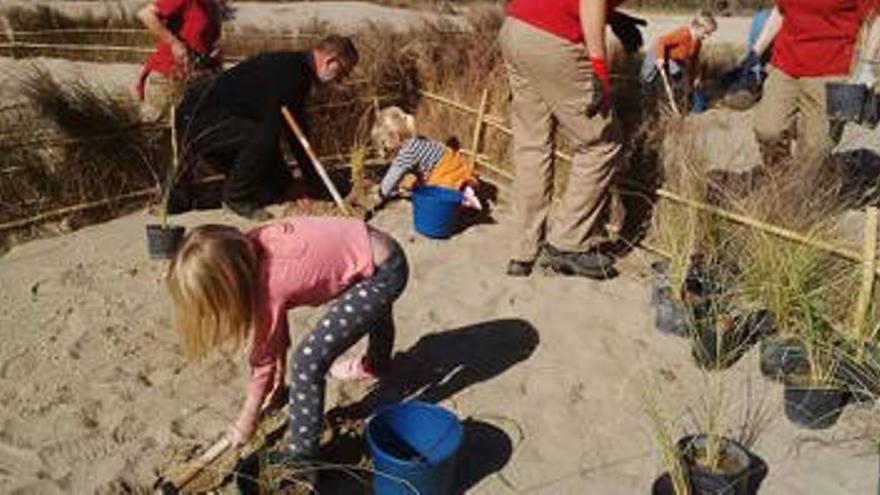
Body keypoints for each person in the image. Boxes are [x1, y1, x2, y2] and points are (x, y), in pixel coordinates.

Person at [166, 218, 408, 473]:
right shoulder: (252, 243)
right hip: (377, 251)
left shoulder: (270, 283)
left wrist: (247, 418)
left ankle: (302, 457)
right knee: (373, 312)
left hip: (383, 274)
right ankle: (377, 365)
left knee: (306, 361)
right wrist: (277, 381)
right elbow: (275, 332)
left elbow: (264, 358)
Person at [499, 0, 624, 279]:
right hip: (552, 38)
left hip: (517, 26)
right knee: (602, 142)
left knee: (531, 145)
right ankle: (566, 243)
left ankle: (523, 251)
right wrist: (599, 67)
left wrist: (612, 16)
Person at [175, 36, 359, 221]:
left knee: (267, 177)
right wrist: (289, 184)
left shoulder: (296, 70)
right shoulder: (291, 73)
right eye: (343, 72)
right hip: (200, 120)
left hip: (218, 122)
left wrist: (310, 178)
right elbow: (271, 131)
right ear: (330, 61)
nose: (342, 79)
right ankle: (235, 197)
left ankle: (257, 191)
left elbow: (297, 130)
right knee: (262, 137)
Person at [738, 2, 880, 173]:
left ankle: (799, 189)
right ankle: (780, 179)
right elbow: (780, 12)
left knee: (816, 148)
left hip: (831, 71)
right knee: (768, 130)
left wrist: (867, 65)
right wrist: (755, 52)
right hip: (785, 66)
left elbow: (877, 17)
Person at [135, 0, 228, 123]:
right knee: (157, 131)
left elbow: (207, 41)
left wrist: (215, 52)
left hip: (196, 78)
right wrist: (174, 42)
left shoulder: (213, 7)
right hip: (167, 77)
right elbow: (145, 14)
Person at [371, 106, 481, 208]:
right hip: (451, 160)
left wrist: (381, 194)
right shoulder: (417, 140)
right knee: (414, 182)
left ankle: (464, 195)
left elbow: (393, 175)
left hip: (444, 170)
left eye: (385, 144)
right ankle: (466, 188)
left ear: (395, 137)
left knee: (440, 190)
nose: (387, 149)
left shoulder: (407, 152)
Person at [641, 11, 717, 98]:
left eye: (710, 33)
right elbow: (661, 41)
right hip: (657, 53)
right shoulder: (683, 33)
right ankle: (646, 98)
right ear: (697, 27)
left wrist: (696, 76)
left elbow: (694, 60)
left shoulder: (697, 43)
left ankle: (677, 97)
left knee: (678, 74)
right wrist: (660, 57)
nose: (707, 36)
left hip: (672, 59)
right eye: (706, 33)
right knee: (648, 78)